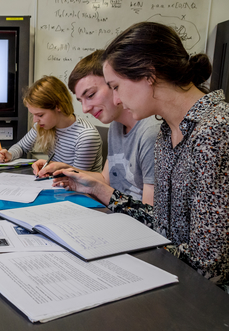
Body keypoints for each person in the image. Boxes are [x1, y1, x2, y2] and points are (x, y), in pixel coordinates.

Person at [55, 22, 229, 291]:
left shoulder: (216, 129)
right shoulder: (167, 131)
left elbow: (210, 267)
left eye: (115, 86)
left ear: (149, 74)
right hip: (180, 282)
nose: (116, 99)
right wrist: (100, 190)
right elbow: (163, 225)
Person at [34, 50, 161, 205]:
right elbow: (105, 179)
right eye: (81, 100)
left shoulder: (150, 132)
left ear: (114, 84)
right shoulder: (116, 125)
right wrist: (66, 169)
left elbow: (150, 215)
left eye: (91, 95)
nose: (85, 109)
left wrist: (95, 189)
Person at [0, 76, 102, 172]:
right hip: (58, 184)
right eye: (33, 115)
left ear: (58, 106)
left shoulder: (85, 136)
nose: (35, 121)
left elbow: (78, 177)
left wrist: (52, 168)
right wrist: (9, 154)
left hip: (80, 191)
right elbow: (21, 147)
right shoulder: (44, 125)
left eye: (40, 115)